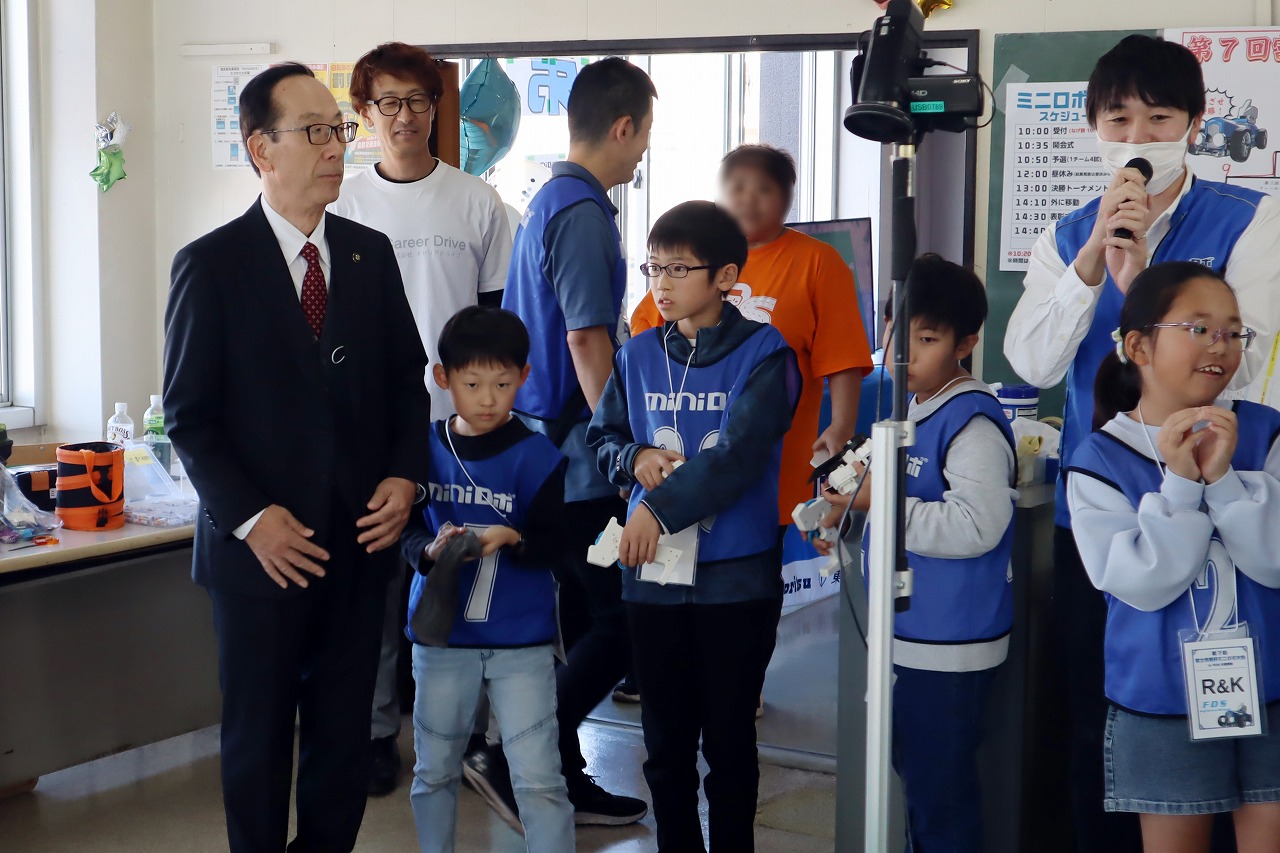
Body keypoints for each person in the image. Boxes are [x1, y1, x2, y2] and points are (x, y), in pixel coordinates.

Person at [1002, 35, 1280, 852]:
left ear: (1193, 124)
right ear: (1093, 128)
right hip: (1108, 507)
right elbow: (1031, 362)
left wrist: (1151, 294)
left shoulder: (1251, 220)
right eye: (1118, 120)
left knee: (1239, 719)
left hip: (1233, 501)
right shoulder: (1068, 237)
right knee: (1102, 714)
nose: (1136, 138)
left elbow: (1251, 362)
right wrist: (1092, 262)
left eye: (1157, 119)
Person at [163, 63, 432, 853]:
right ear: (261, 149)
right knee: (258, 741)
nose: (335, 147)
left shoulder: (367, 255)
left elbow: (407, 385)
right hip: (261, 559)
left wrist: (404, 475)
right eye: (314, 132)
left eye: (338, 130)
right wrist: (252, 518)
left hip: (357, 543)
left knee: (342, 743)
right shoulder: (211, 265)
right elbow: (189, 418)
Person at [467, 57, 656, 829]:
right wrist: (623, 445)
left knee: (582, 617)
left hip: (552, 453)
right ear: (623, 127)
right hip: (579, 461)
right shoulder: (580, 213)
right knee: (620, 623)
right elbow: (585, 339)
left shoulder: (548, 199)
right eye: (643, 135)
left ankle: (561, 775)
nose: (642, 152)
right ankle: (510, 757)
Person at [588, 200, 801, 851]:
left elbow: (738, 456)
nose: (662, 283)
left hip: (734, 581)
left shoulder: (766, 354)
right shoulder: (637, 353)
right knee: (664, 744)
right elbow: (602, 438)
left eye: (680, 268)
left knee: (730, 742)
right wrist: (633, 458)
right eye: (654, 267)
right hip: (653, 580)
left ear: (726, 276)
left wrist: (656, 508)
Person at [330, 41, 512, 797]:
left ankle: (468, 735)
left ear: (437, 109)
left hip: (462, 430)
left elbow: (496, 324)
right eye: (388, 102)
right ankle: (376, 732)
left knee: (467, 573)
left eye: (418, 100)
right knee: (376, 586)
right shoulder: (343, 206)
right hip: (374, 432)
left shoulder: (478, 202)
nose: (404, 116)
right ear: (365, 114)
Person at [1066, 262, 1280, 852]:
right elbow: (1140, 581)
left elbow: (1274, 561)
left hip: (1270, 690)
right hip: (1159, 702)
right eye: (1200, 328)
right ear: (1139, 346)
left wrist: (1225, 483)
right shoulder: (1098, 459)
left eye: (1233, 332)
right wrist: (1182, 487)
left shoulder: (1265, 433)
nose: (1221, 346)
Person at [817, 254, 1018, 852]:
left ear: (966, 344)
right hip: (910, 635)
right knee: (920, 784)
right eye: (895, 334)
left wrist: (878, 504)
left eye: (926, 339)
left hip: (950, 643)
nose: (905, 352)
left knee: (939, 800)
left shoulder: (970, 421)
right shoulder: (910, 409)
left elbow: (977, 526)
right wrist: (846, 514)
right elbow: (896, 503)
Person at [631, 143, 871, 577]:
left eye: (764, 188)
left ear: (787, 198)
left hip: (775, 449)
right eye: (737, 186)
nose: (748, 198)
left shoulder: (817, 262)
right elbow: (644, 350)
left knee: (755, 563)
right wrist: (638, 452)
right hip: (683, 453)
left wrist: (841, 426)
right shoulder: (689, 264)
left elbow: (842, 356)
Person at [399, 306, 574, 853]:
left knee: (539, 779)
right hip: (442, 639)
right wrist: (427, 551)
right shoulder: (421, 448)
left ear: (524, 376)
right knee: (434, 771)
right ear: (442, 377)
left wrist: (515, 538)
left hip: (521, 643)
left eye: (502, 383)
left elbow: (557, 545)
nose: (488, 399)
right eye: (472, 384)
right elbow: (404, 530)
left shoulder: (540, 457)